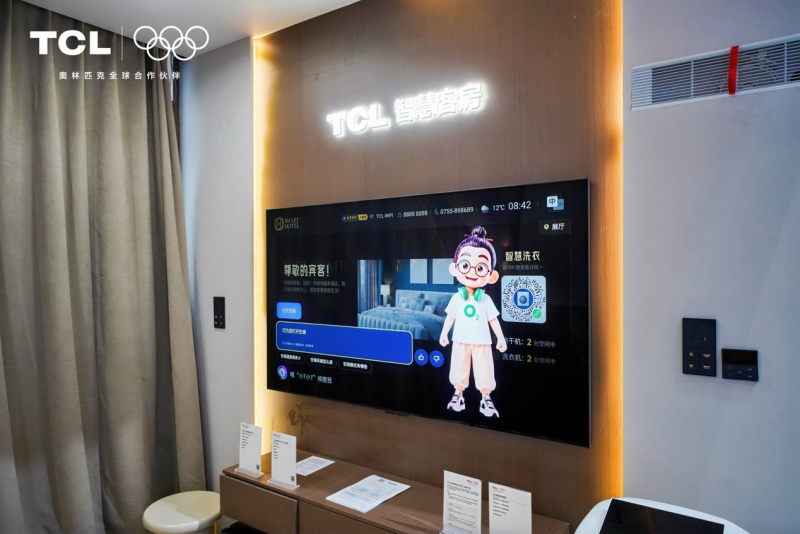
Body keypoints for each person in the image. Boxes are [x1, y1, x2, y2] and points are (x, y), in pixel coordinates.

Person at [439, 226, 507, 418]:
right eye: (465, 265)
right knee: (458, 367)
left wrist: (500, 338)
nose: (472, 272)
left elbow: (493, 320)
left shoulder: (485, 300)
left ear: (491, 276)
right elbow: (450, 317)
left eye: (481, 268)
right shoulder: (457, 298)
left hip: (482, 341)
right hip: (460, 340)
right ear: (455, 268)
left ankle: (486, 398)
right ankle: (458, 395)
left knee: (485, 369)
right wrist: (444, 333)